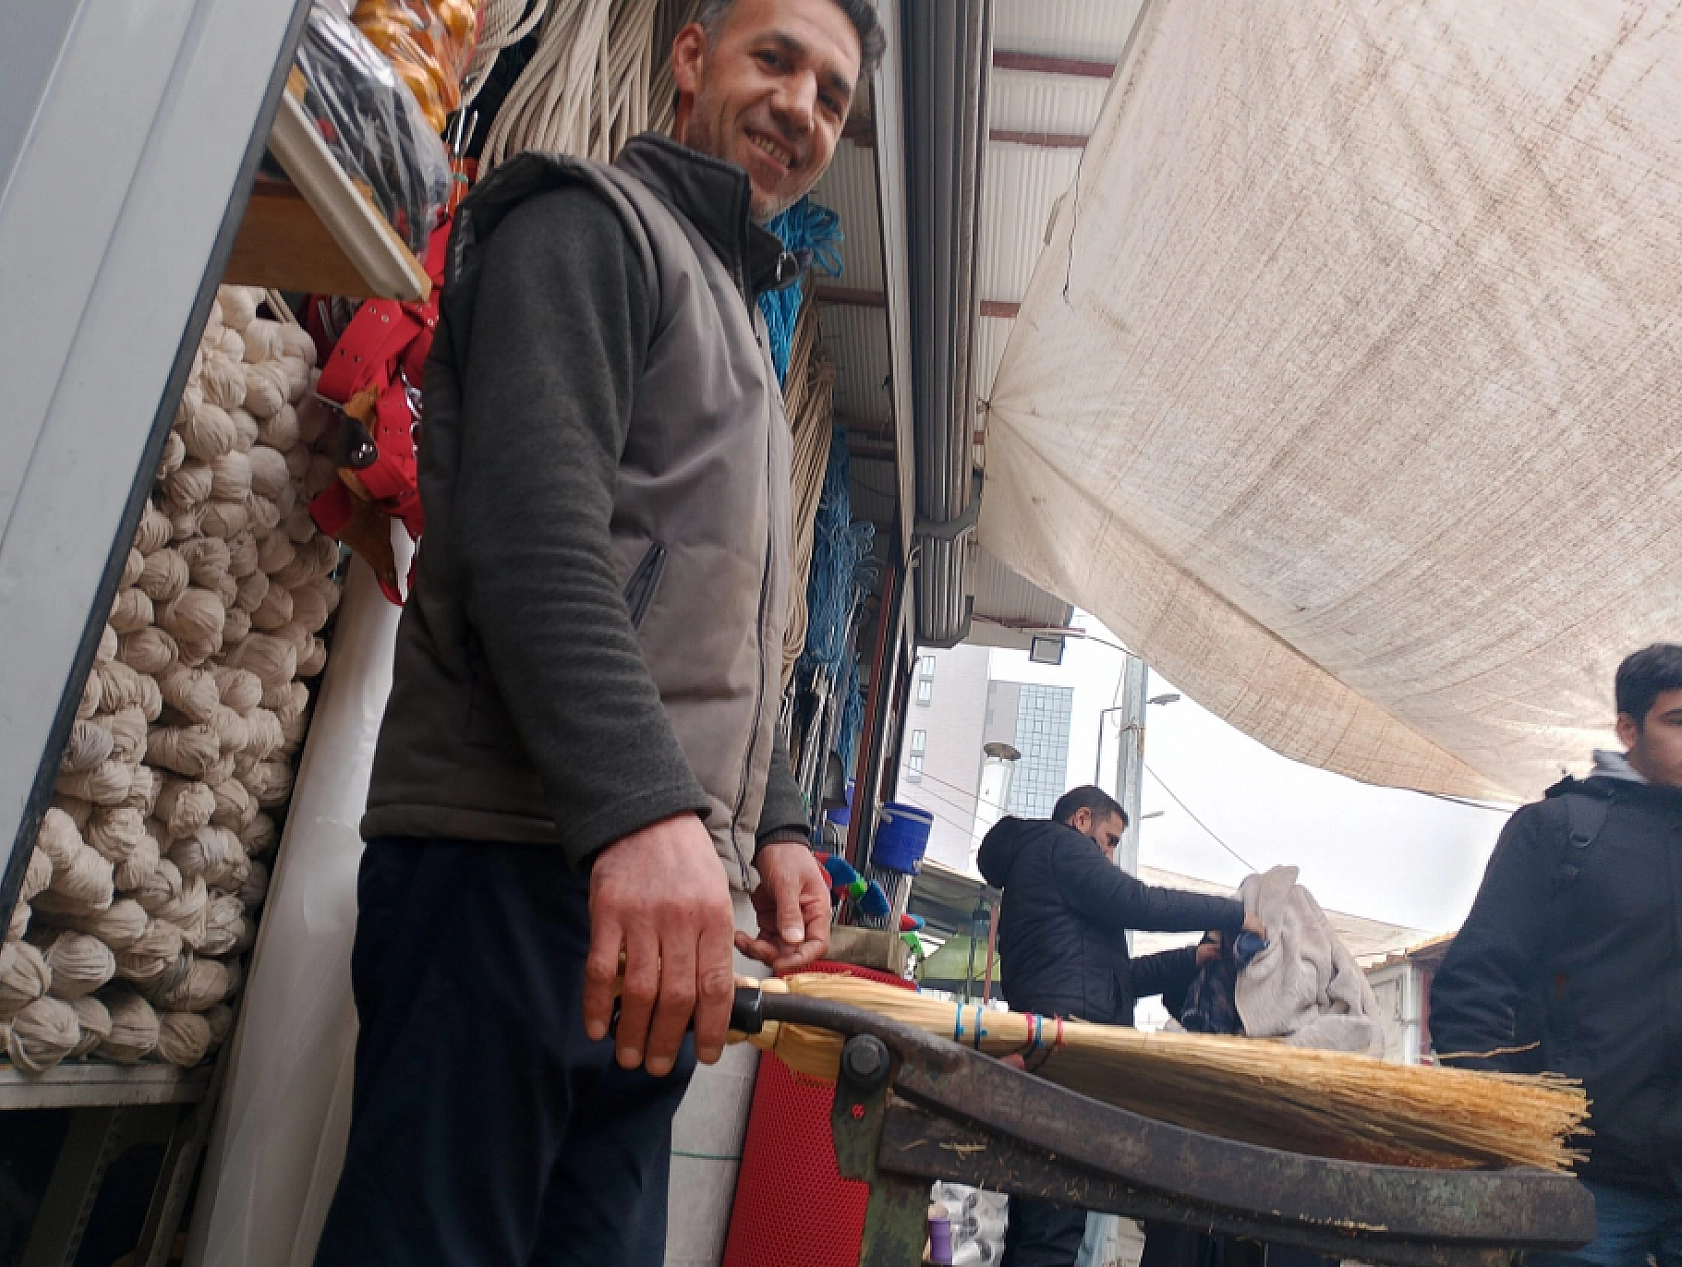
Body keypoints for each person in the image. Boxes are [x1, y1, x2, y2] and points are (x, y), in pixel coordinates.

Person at [312, 2, 886, 1263]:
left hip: (651, 903)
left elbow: (721, 626)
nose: (801, 106)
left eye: (832, 95)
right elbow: (532, 531)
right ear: (691, 58)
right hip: (513, 868)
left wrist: (779, 817)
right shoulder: (587, 225)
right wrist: (643, 808)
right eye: (773, 59)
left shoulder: (743, 321)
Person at [1430, 644, 1682, 1266]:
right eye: (1678, 722)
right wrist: (1510, 1138)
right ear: (1627, 726)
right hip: (1585, 1185)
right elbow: (1474, 987)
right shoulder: (1559, 830)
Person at [976, 786, 1266, 1267]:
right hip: (1069, 1049)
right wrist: (1234, 914)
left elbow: (1117, 982)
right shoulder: (1061, 847)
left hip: (1052, 1039)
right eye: (1109, 840)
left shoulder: (1040, 880)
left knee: (1041, 1215)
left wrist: (1190, 958)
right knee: (1055, 1214)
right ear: (1082, 819)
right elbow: (1141, 902)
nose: (1110, 856)